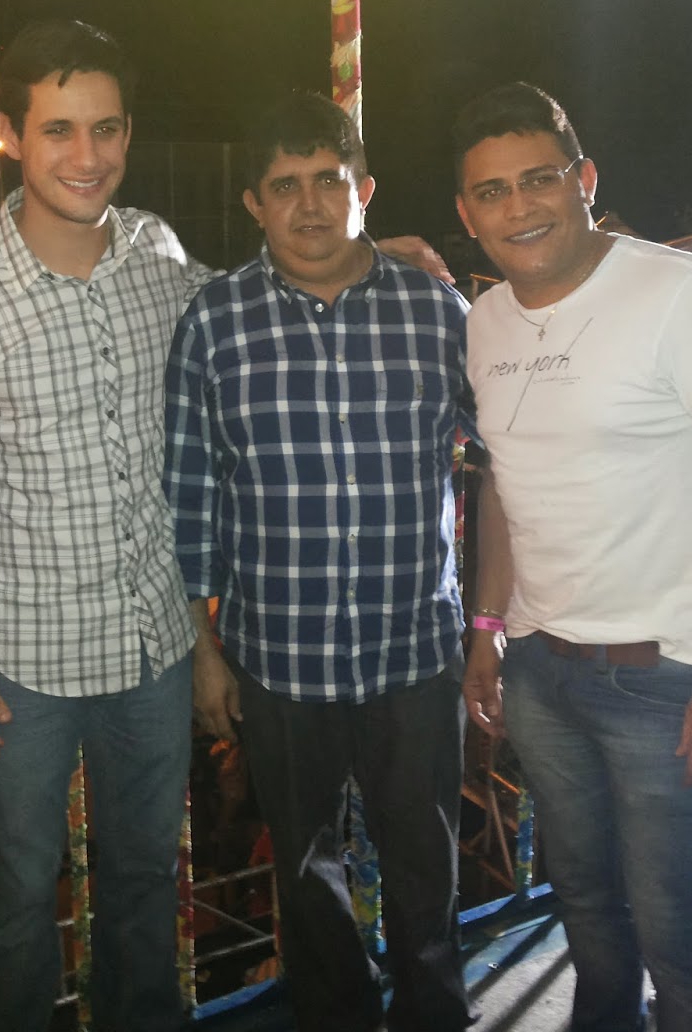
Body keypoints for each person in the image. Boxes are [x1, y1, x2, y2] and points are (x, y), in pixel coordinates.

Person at [0, 20, 449, 1032]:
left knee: (147, 882)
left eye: (106, 128)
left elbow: (275, 289)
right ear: (10, 136)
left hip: (152, 646)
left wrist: (382, 255)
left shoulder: (159, 256)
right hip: (17, 652)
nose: (86, 154)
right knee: (16, 904)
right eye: (58, 129)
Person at [456, 83, 692, 1032]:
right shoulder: (484, 321)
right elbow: (504, 484)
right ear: (467, 213)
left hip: (669, 675)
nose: (520, 207)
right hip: (540, 672)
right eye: (492, 191)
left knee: (676, 933)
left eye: (540, 179)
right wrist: (488, 626)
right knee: (585, 906)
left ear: (586, 179)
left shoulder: (682, 293)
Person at [166, 93, 479, 1031]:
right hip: (279, 658)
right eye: (284, 186)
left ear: (363, 190)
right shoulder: (215, 321)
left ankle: (433, 1016)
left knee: (426, 863)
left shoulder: (438, 312)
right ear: (254, 203)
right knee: (304, 873)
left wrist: (496, 623)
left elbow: (514, 451)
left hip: (414, 648)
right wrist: (204, 653)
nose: (308, 205)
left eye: (327, 181)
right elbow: (191, 496)